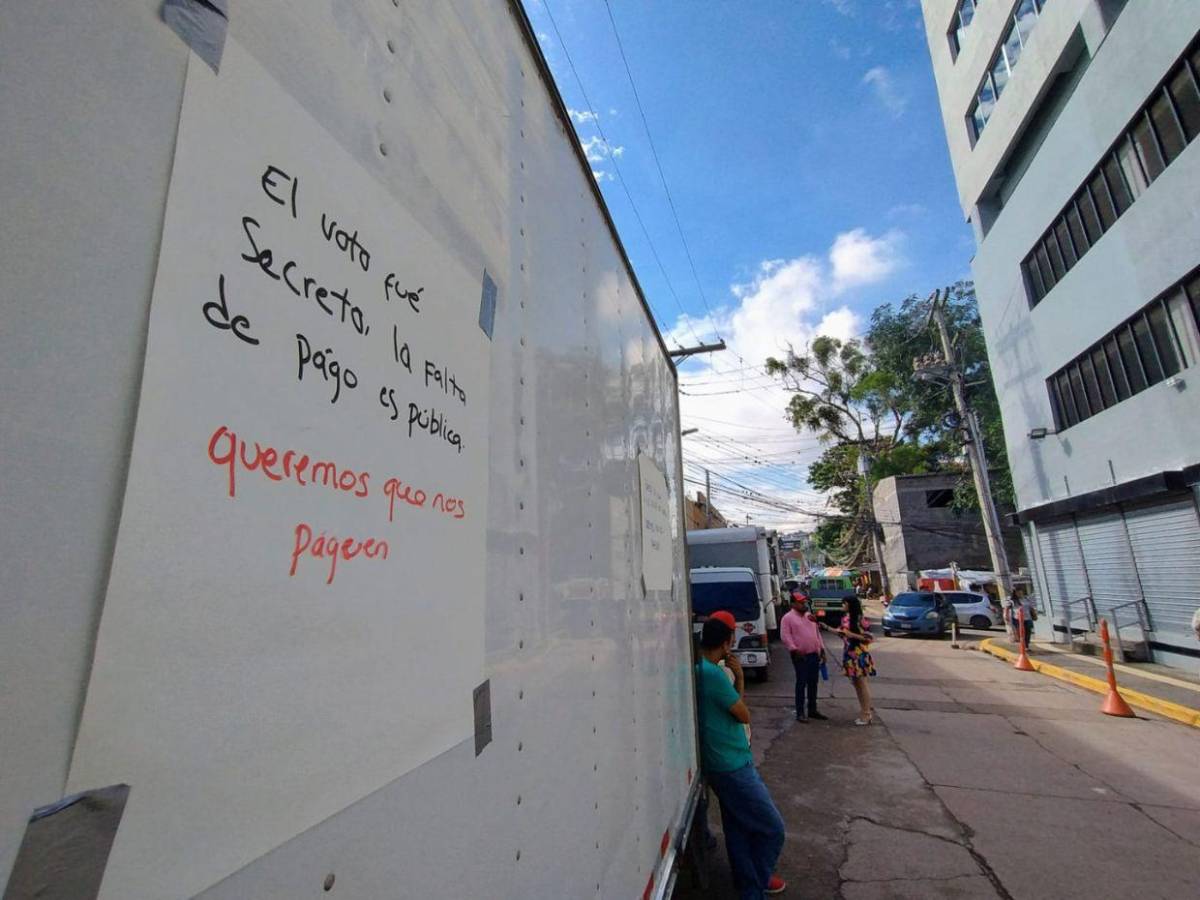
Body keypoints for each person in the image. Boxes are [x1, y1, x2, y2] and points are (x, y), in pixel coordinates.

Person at [696, 618, 787, 898]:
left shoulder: (700, 670)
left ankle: (748, 887)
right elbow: (742, 713)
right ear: (725, 642)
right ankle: (757, 882)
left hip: (723, 761)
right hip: (732, 764)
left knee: (737, 829)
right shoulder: (712, 673)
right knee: (772, 828)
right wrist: (741, 678)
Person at [779, 595, 827, 722]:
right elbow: (785, 636)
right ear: (793, 604)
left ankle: (812, 709)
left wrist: (821, 649)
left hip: (813, 654)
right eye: (801, 603)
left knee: (813, 682)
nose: (804, 605)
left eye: (804, 602)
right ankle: (800, 712)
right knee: (801, 683)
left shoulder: (809, 616)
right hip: (800, 655)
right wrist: (793, 649)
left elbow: (817, 634)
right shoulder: (787, 618)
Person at [837, 596, 876, 726]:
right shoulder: (845, 618)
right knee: (857, 685)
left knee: (862, 684)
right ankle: (864, 712)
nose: (843, 605)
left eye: (844, 603)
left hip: (859, 655)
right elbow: (842, 633)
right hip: (849, 654)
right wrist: (826, 627)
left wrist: (851, 635)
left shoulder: (860, 619)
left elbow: (869, 638)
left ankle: (867, 714)